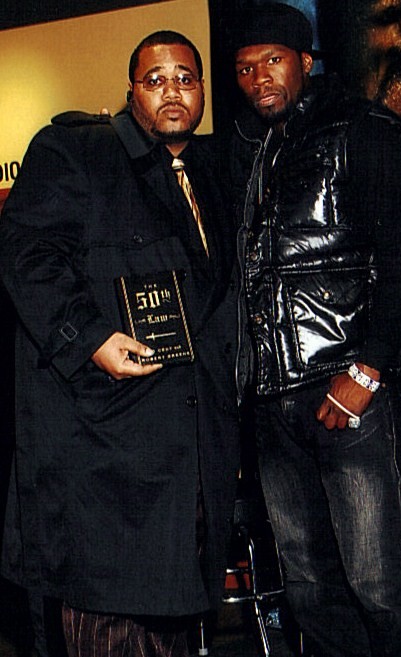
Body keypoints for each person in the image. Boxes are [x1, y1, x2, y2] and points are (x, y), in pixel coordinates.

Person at [0, 30, 240, 657]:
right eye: (155, 80)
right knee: (107, 617)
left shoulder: (215, 171)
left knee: (176, 622)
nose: (172, 92)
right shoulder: (77, 150)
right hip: (105, 450)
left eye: (185, 79)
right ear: (131, 90)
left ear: (203, 90)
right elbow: (27, 254)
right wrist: (90, 338)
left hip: (190, 451)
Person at [226, 4, 401, 656]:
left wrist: (365, 371)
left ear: (305, 62)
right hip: (273, 402)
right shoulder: (255, 150)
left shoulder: (361, 128)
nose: (259, 77)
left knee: (382, 581)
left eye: (273, 60)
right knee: (310, 586)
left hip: (346, 392)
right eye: (245, 67)